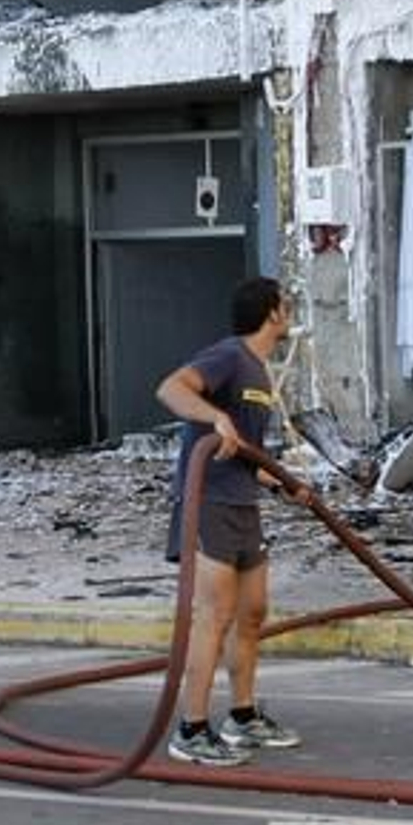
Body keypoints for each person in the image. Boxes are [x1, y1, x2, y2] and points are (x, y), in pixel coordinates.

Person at [157, 276, 307, 767]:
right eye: (285, 303)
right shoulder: (229, 356)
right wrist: (214, 419)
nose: (290, 309)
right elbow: (171, 389)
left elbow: (247, 453)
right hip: (210, 504)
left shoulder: (260, 372)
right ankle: (191, 729)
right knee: (214, 617)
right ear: (271, 313)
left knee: (253, 612)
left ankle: (242, 719)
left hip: (243, 502)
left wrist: (285, 483)